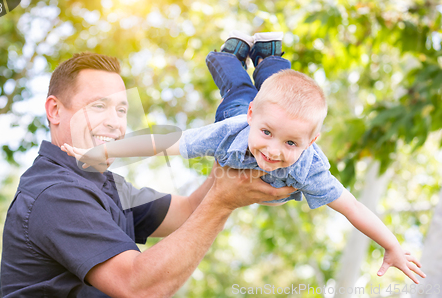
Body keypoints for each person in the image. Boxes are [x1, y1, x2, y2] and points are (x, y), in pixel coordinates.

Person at [63, 32, 426, 284]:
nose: (273, 151)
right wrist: (102, 152)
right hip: (237, 118)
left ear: (312, 142)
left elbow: (354, 207)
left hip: (263, 115)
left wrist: (391, 245)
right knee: (239, 89)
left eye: (291, 143)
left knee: (278, 91)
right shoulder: (233, 127)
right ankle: (230, 56)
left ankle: (268, 52)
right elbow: (160, 142)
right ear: (255, 117)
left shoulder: (309, 167)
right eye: (268, 134)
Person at [0, 52, 295, 297]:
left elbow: (190, 210)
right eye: (99, 106)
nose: (115, 123)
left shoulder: (104, 184)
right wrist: (223, 201)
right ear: (55, 110)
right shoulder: (55, 194)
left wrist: (239, 154)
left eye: (121, 110)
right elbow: (139, 287)